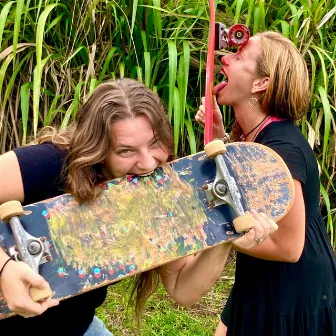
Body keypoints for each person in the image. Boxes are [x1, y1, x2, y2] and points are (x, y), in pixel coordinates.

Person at [0, 78, 277, 335]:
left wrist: (225, 238)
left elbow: (182, 289)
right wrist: (5, 269)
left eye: (155, 143)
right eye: (126, 151)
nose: (147, 164)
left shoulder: (160, 192)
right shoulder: (48, 164)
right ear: (97, 148)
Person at [196, 31, 336, 335]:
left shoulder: (281, 150)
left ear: (261, 83)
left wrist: (219, 235)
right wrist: (221, 136)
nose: (224, 59)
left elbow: (289, 248)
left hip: (291, 293)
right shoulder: (254, 135)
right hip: (264, 277)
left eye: (238, 57)